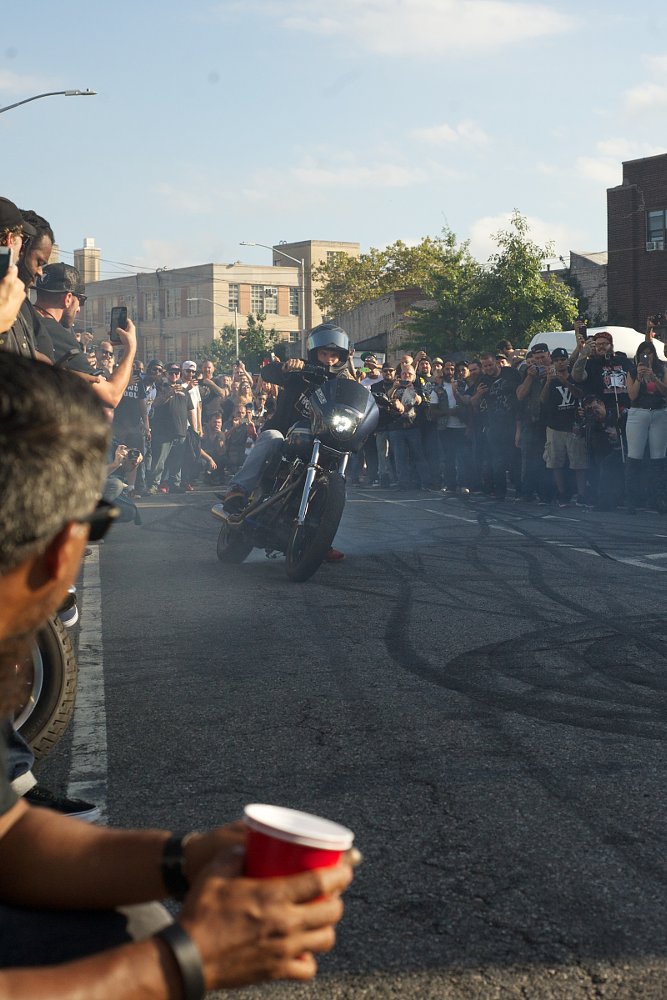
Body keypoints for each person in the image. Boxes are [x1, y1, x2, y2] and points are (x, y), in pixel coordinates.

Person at [0, 353, 353, 995]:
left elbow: (8, 832)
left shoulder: (345, 382)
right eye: (97, 522)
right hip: (278, 441)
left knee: (131, 916)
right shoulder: (297, 375)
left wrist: (187, 858)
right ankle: (239, 495)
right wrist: (182, 964)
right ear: (60, 552)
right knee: (133, 937)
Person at [222, 322, 355, 561]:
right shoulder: (300, 371)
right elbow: (268, 372)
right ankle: (238, 489)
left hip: (323, 441)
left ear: (342, 357)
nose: (329, 360)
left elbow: (362, 404)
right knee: (271, 437)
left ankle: (320, 539)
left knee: (334, 477)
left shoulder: (344, 384)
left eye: (334, 355)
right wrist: (286, 367)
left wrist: (392, 406)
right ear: (314, 353)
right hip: (287, 436)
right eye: (324, 354)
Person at [540, 348, 587, 507]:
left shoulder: (575, 376)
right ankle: (562, 494)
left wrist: (565, 382)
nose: (560, 363)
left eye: (562, 359)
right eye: (557, 360)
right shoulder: (549, 379)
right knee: (555, 462)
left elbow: (580, 394)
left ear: (567, 361)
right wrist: (549, 381)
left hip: (573, 425)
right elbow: (542, 400)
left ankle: (582, 494)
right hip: (555, 426)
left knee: (579, 462)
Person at [624, 339, 667, 513]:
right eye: (644, 354)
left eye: (650, 353)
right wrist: (639, 378)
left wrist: (654, 377)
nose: (647, 356)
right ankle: (632, 500)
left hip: (658, 412)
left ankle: (659, 499)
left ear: (654, 354)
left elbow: (665, 392)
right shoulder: (632, 371)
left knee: (659, 457)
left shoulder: (661, 368)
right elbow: (632, 395)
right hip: (638, 412)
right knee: (634, 456)